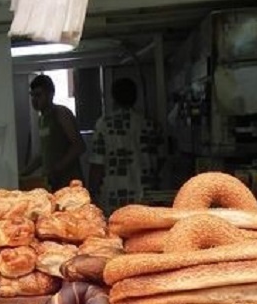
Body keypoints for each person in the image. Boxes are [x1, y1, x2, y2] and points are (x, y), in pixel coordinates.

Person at [88, 76, 162, 214]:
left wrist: (91, 192)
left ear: (112, 97)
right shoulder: (149, 124)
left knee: (115, 232)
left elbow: (97, 164)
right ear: (135, 97)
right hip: (145, 195)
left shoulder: (104, 124)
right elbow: (160, 159)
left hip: (114, 197)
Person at [22, 72, 86, 191]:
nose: (34, 100)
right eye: (32, 95)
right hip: (53, 184)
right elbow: (42, 155)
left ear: (51, 94)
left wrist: (56, 169)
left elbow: (79, 146)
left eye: (38, 95)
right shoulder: (42, 119)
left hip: (70, 185)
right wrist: (23, 173)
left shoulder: (61, 113)